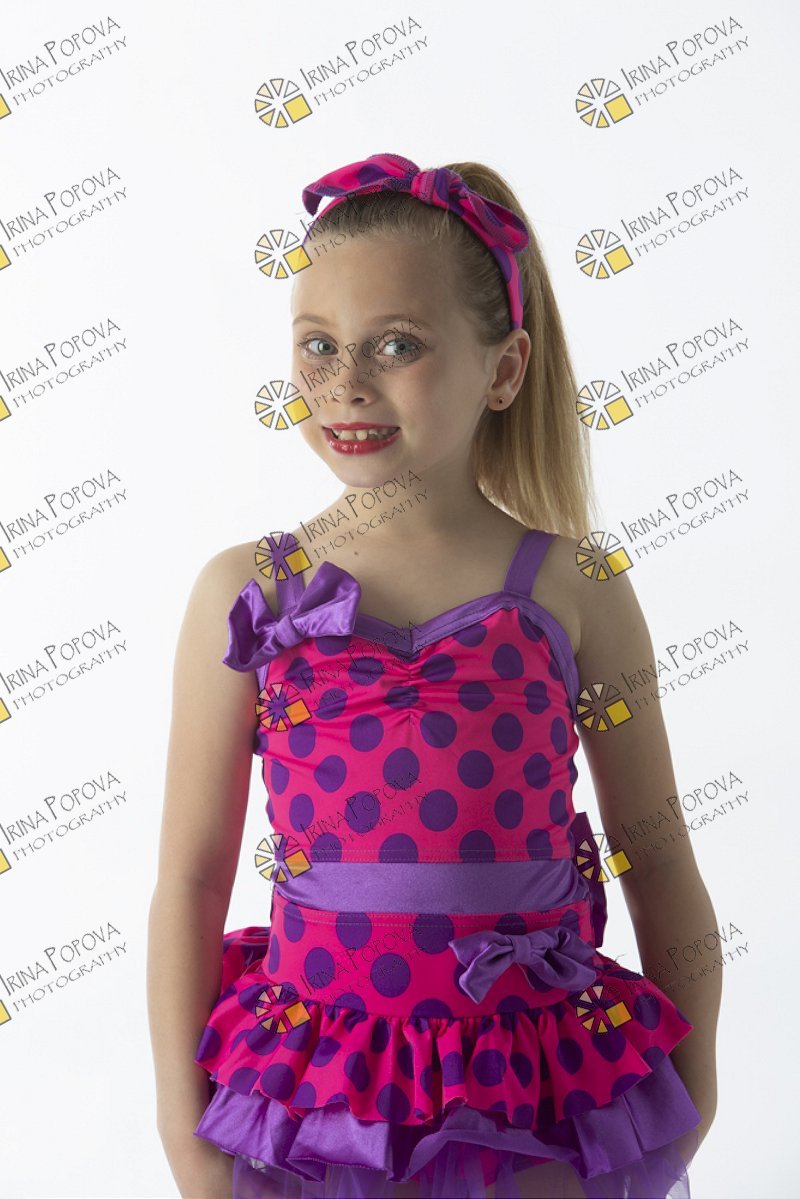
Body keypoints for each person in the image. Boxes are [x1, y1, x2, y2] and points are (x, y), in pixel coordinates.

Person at [147, 152, 720, 1199]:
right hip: (319, 1094)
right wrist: (184, 1135)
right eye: (318, 345)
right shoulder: (249, 590)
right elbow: (191, 875)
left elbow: (655, 849)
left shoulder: (575, 585)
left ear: (503, 369)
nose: (345, 383)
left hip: (533, 1088)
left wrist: (698, 1081)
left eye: (396, 345)